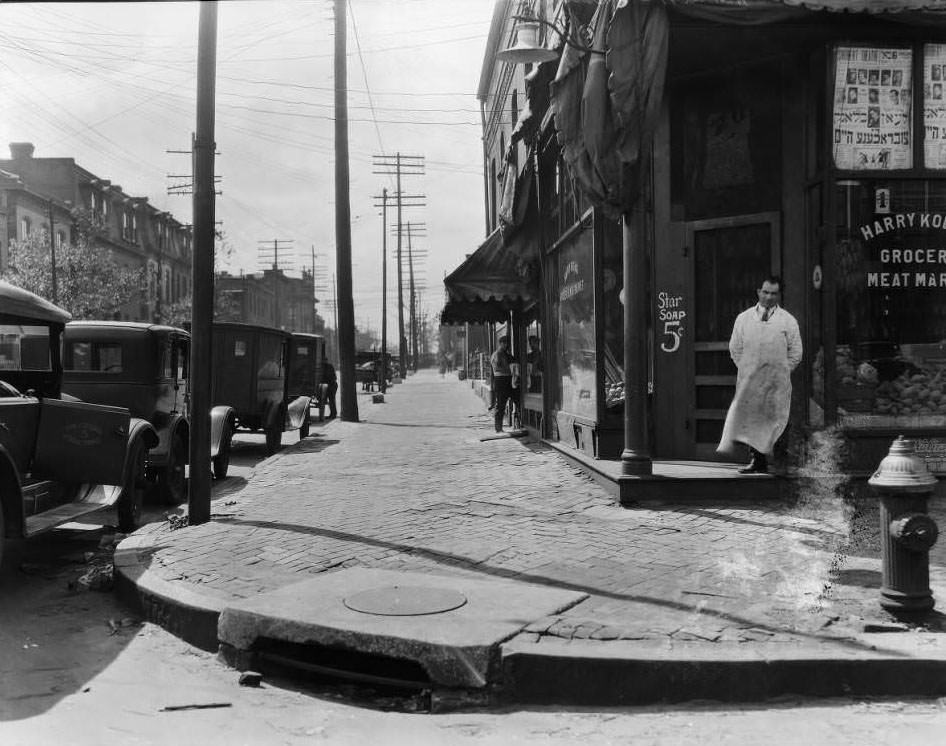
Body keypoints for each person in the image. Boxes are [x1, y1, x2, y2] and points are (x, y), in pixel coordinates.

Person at [717, 276, 802, 474]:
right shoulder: (744, 319)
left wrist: (779, 371)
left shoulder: (788, 321)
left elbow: (796, 353)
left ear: (779, 295)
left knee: (779, 419)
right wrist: (748, 369)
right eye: (765, 292)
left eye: (773, 293)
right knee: (753, 420)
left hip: (777, 382)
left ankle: (780, 463)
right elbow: (735, 348)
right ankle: (758, 461)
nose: (769, 297)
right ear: (758, 292)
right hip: (751, 381)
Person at [489, 335, 516, 433]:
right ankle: (498, 427)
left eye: (507, 343)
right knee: (500, 405)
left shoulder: (506, 354)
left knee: (517, 399)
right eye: (503, 343)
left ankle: (518, 422)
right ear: (500, 344)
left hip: (508, 380)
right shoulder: (497, 355)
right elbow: (498, 367)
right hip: (501, 381)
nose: (505, 345)